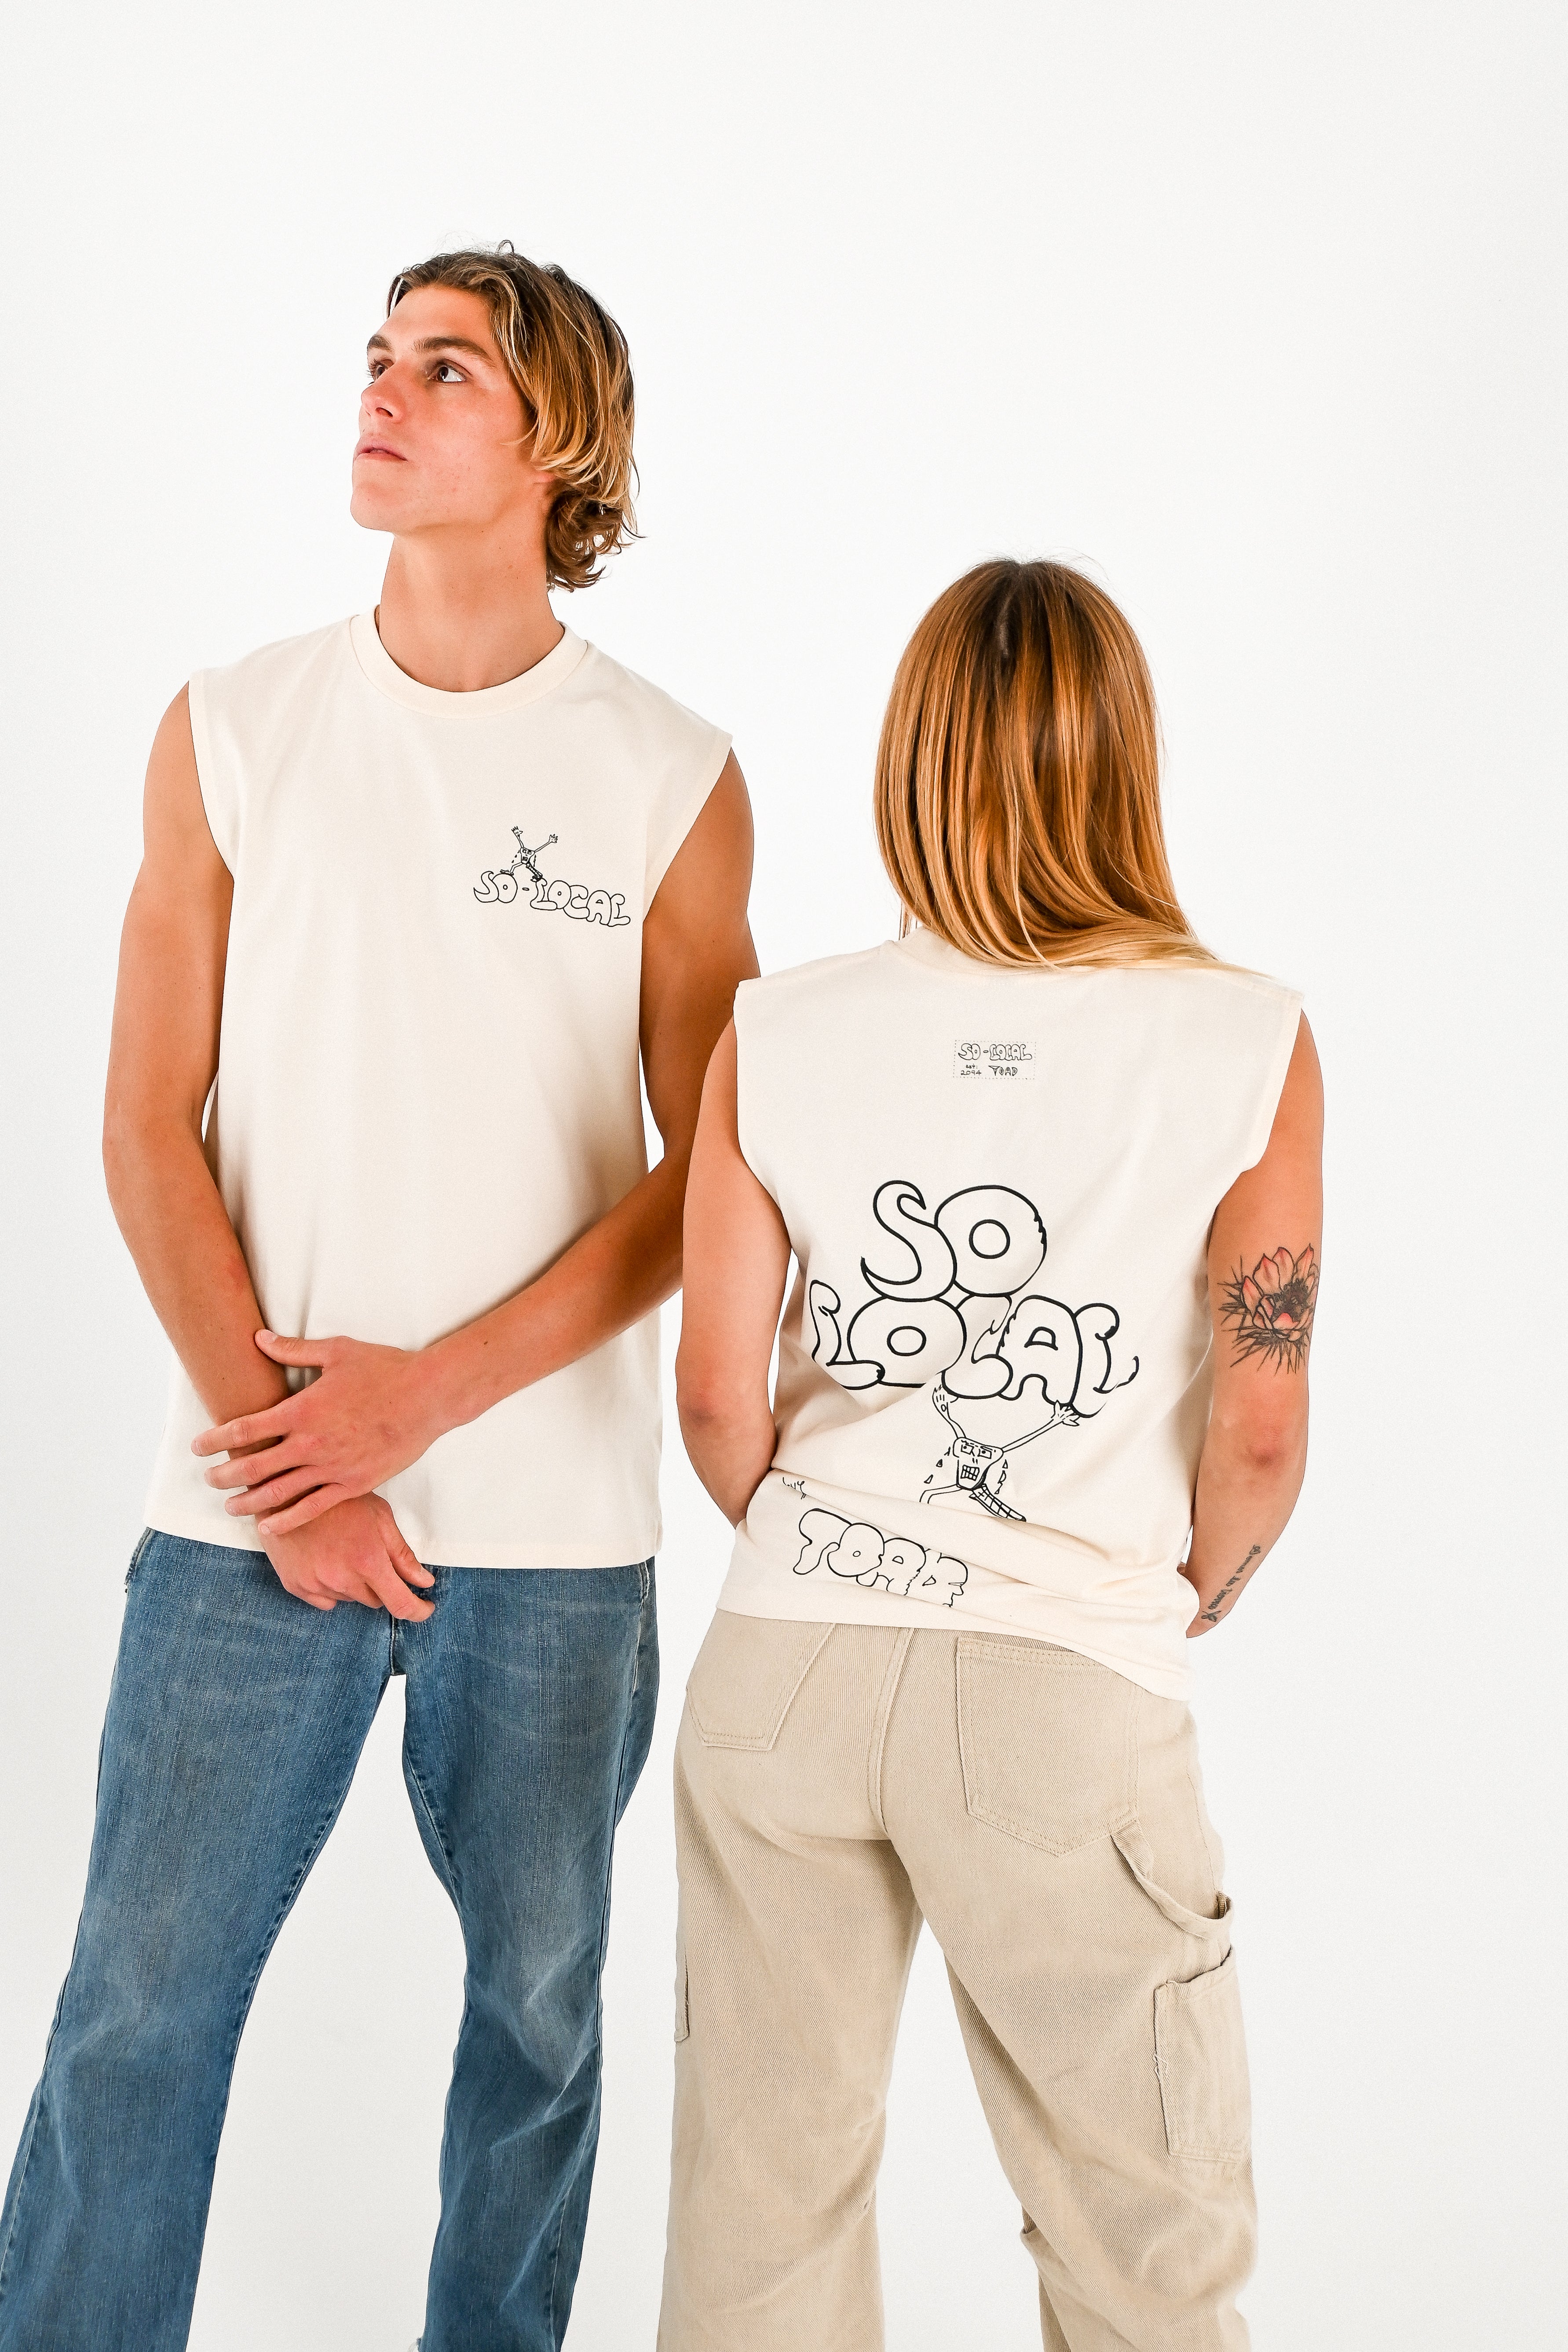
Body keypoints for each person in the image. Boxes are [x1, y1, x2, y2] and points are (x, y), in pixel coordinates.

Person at [0, 245, 756, 2352]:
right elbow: (142, 1123)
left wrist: (422, 1402)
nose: (384, 393)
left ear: (557, 442)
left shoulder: (671, 774)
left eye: (445, 369)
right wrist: (304, 1459)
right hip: (249, 1506)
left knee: (538, 2026)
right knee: (135, 2013)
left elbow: (714, 1174)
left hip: (557, 1540)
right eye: (377, 358)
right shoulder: (232, 727)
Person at [661, 559, 1322, 2350]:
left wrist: (819, 1532)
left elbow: (715, 1393)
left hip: (784, 1665)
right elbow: (1260, 1422)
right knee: (1139, 2235)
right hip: (1064, 1677)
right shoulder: (1247, 1038)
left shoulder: (776, 1029)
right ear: (1124, 761)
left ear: (910, 760)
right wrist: (1182, 1581)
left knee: (758, 2219)